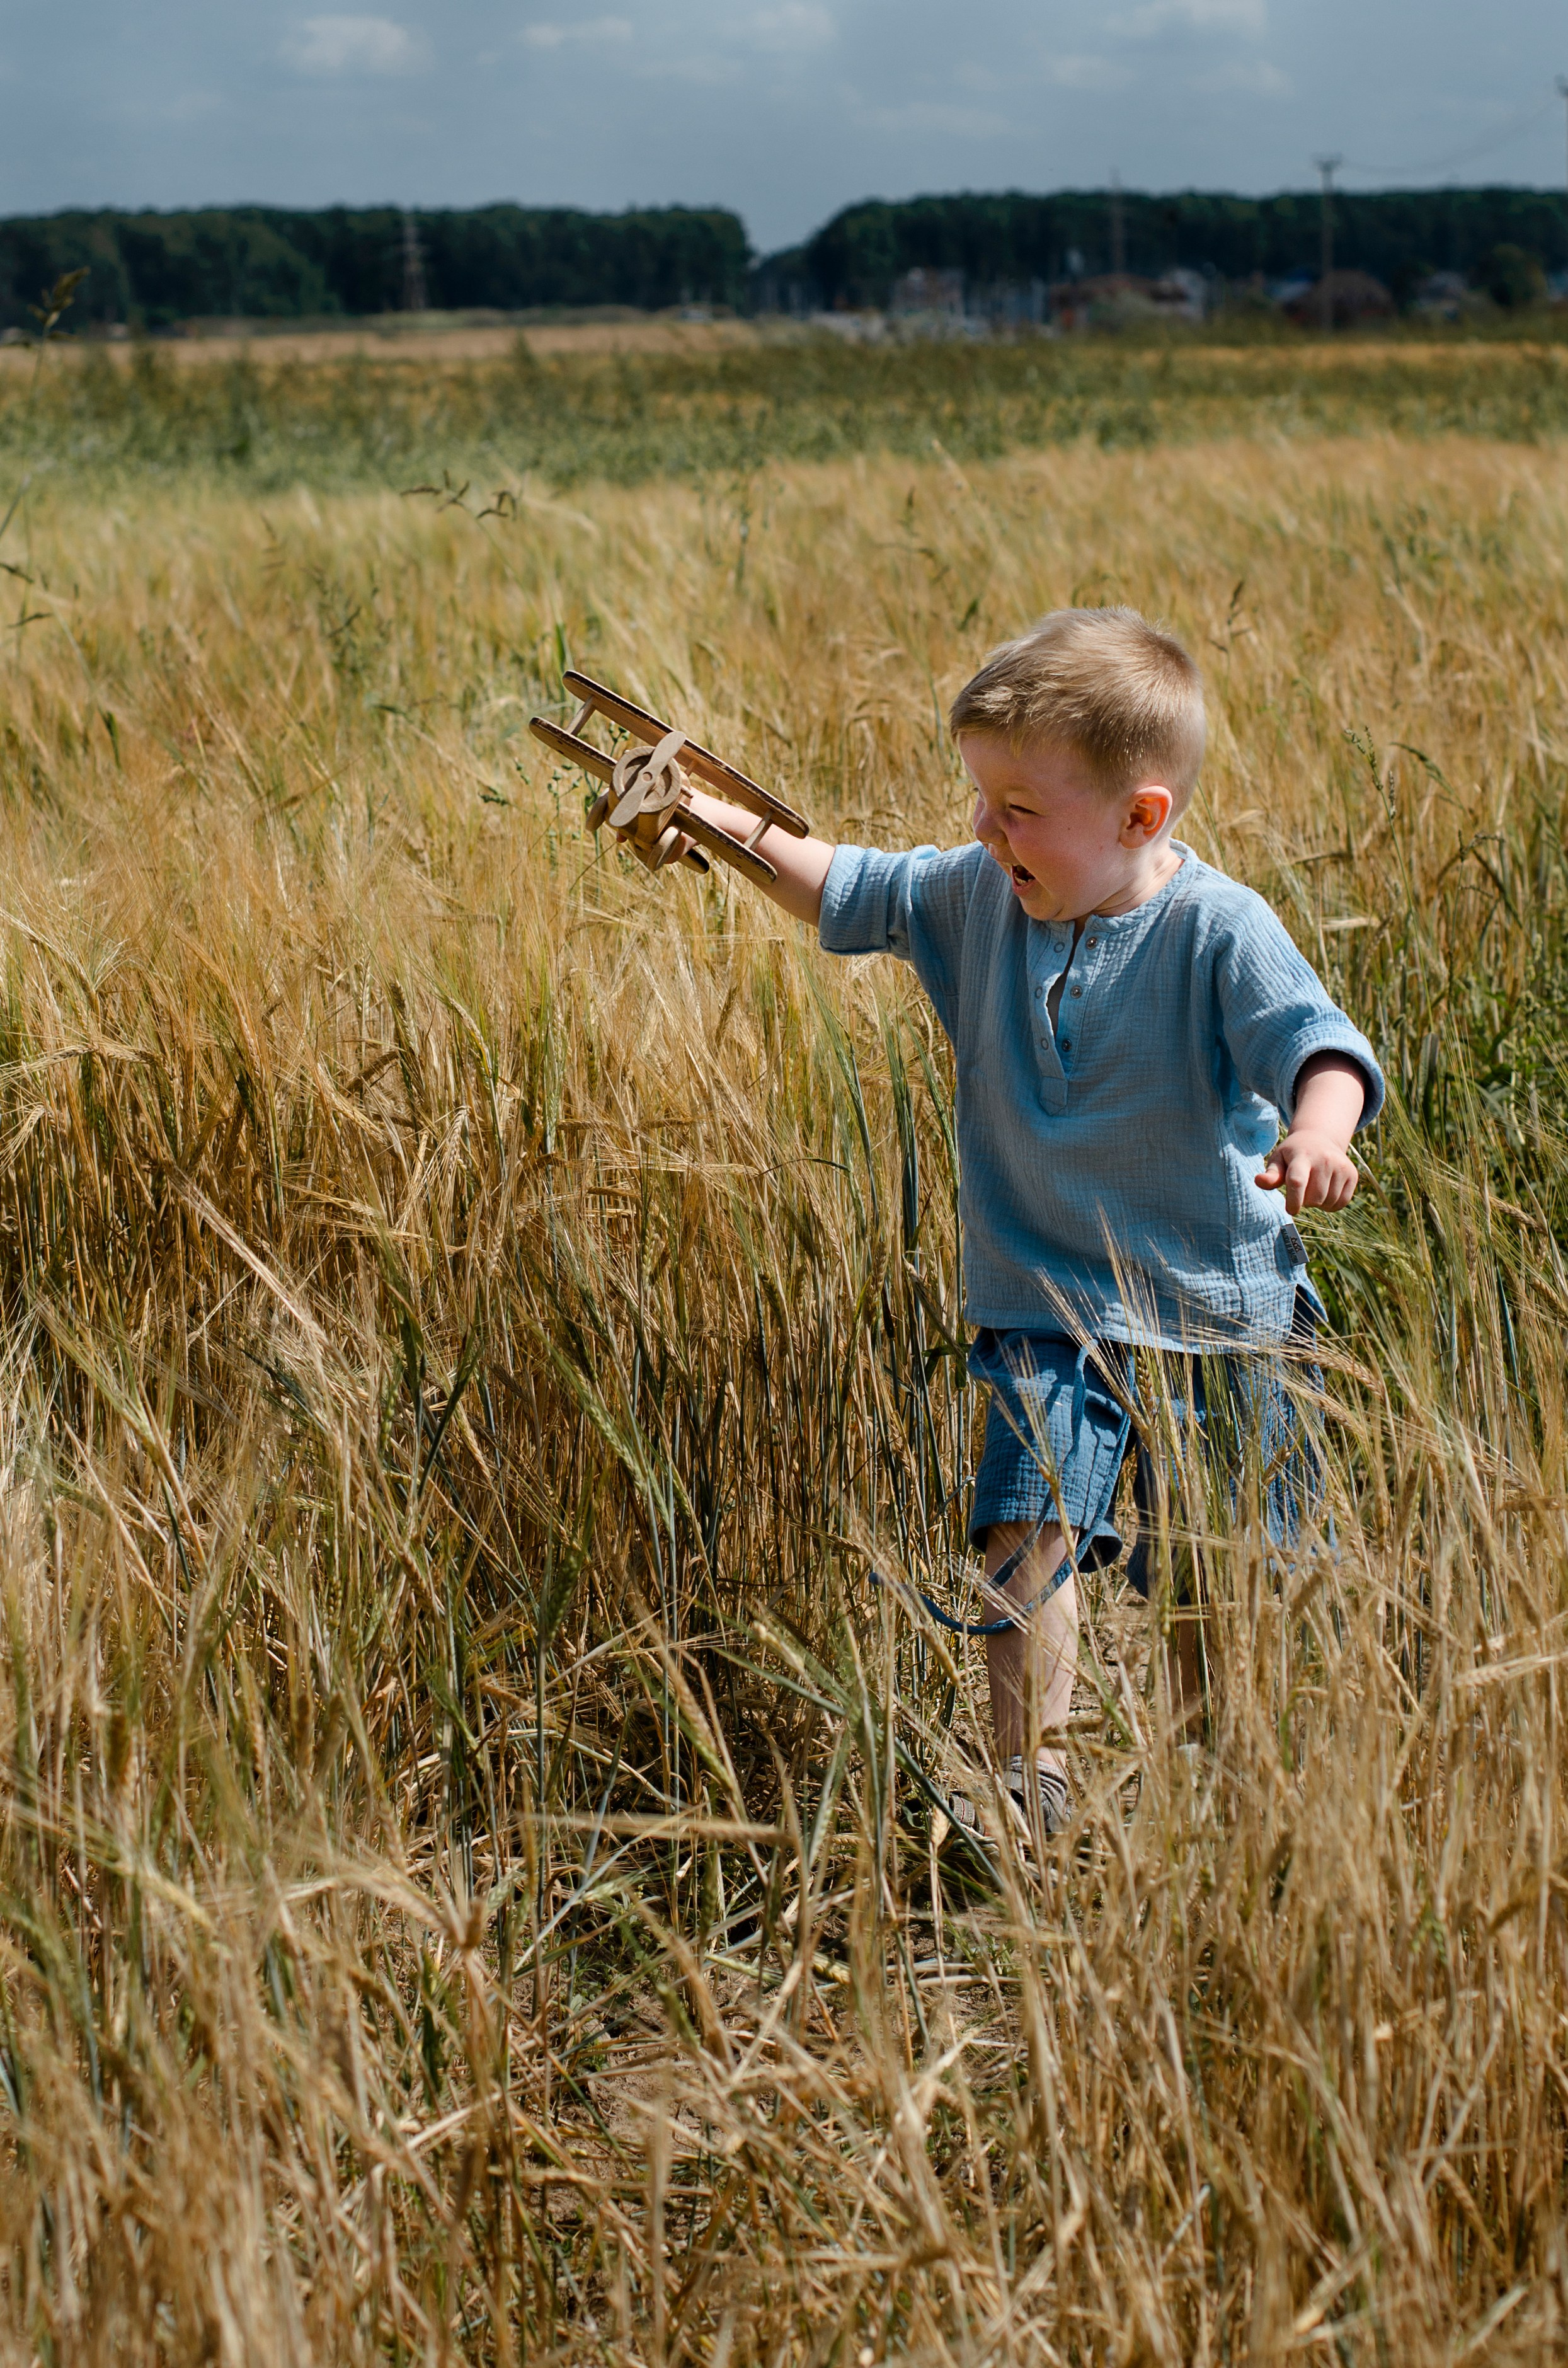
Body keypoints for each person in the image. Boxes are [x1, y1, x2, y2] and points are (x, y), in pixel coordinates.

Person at [658, 607, 1383, 1841]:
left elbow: (1317, 1044)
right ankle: (1025, 1782)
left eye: (1018, 807)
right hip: (1045, 1295)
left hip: (1217, 1309)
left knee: (1217, 1568)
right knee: (1023, 1524)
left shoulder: (1219, 928)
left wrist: (1320, 1131)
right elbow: (845, 880)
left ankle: (1222, 1790)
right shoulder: (977, 896)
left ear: (1140, 818)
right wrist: (712, 820)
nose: (985, 828)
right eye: (981, 799)